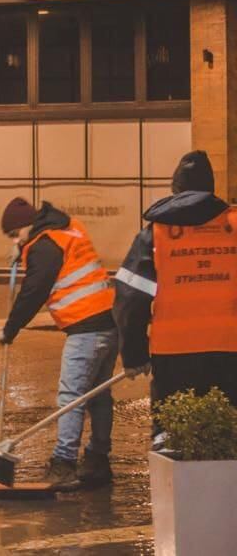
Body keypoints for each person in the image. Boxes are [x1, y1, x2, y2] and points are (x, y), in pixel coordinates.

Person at [113, 151, 237, 449]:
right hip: (231, 350)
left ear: (176, 188)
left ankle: (177, 492)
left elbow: (130, 296)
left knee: (171, 432)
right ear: (211, 187)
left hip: (174, 352)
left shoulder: (156, 232)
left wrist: (134, 353)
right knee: (228, 430)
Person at [0, 197, 117, 491]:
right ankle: (98, 460)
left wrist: (10, 329)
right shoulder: (68, 228)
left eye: (15, 235)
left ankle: (63, 464)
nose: (16, 241)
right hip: (109, 321)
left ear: (26, 226)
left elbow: (34, 291)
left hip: (86, 327)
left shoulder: (44, 245)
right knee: (99, 395)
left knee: (71, 397)